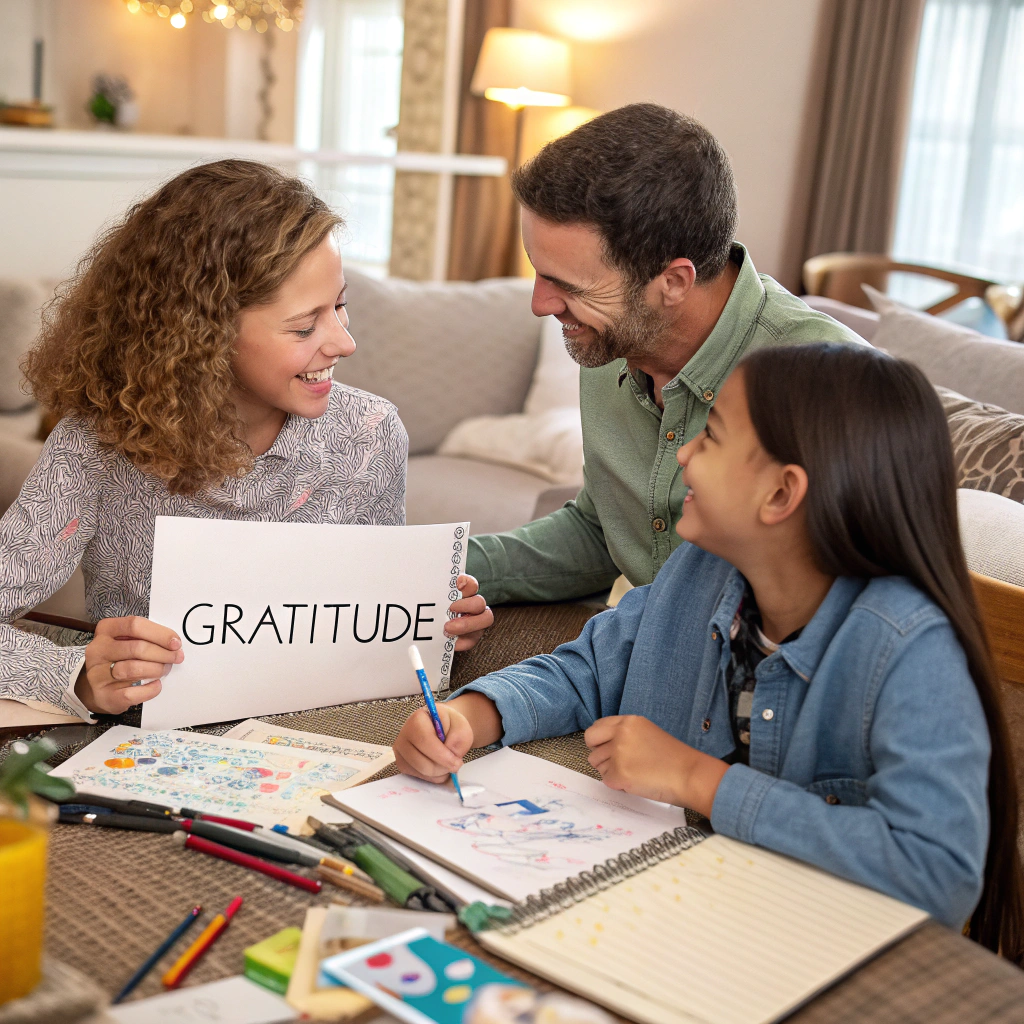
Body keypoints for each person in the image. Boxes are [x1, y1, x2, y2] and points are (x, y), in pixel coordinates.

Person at [395, 342, 1024, 958]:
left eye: (712, 437)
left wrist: (699, 779)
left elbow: (935, 874)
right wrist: (470, 716)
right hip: (686, 915)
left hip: (814, 955)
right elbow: (592, 667)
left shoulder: (909, 650)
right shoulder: (700, 569)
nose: (685, 456)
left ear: (781, 494)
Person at [0, 159, 492, 720]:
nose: (345, 342)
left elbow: (373, 634)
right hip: (150, 742)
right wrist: (78, 676)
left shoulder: (369, 435)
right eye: (305, 326)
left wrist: (433, 626)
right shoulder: (95, 447)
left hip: (323, 732)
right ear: (201, 337)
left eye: (339, 305)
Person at [466, 103, 864, 605]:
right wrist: (438, 569)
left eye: (566, 285)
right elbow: (603, 532)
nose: (540, 304)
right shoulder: (611, 340)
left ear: (673, 282)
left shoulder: (830, 384)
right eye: (538, 273)